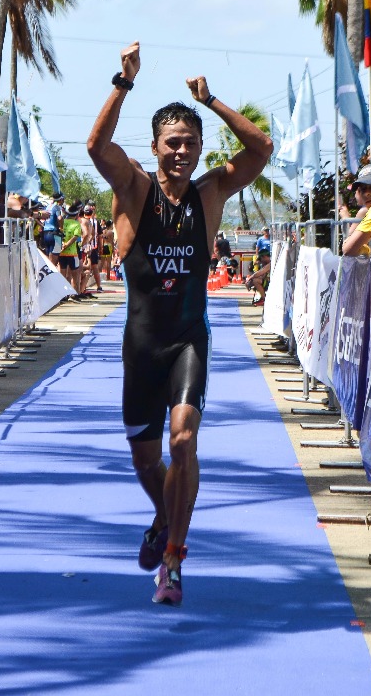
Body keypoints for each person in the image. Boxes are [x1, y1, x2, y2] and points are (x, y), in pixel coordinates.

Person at [87, 41, 272, 606]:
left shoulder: (210, 192)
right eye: (172, 143)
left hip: (188, 340)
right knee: (147, 459)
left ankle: (173, 559)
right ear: (155, 147)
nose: (182, 152)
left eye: (190, 144)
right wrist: (124, 82)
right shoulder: (134, 190)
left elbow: (261, 148)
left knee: (184, 440)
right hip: (141, 346)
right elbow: (96, 145)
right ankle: (162, 518)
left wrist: (210, 100)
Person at [58, 202, 86, 296]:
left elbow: (60, 233)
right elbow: (75, 237)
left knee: (63, 274)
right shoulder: (76, 224)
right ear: (77, 215)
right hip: (72, 253)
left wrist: (63, 244)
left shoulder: (63, 222)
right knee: (76, 275)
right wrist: (67, 245)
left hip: (62, 253)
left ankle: (63, 294)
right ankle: (75, 294)